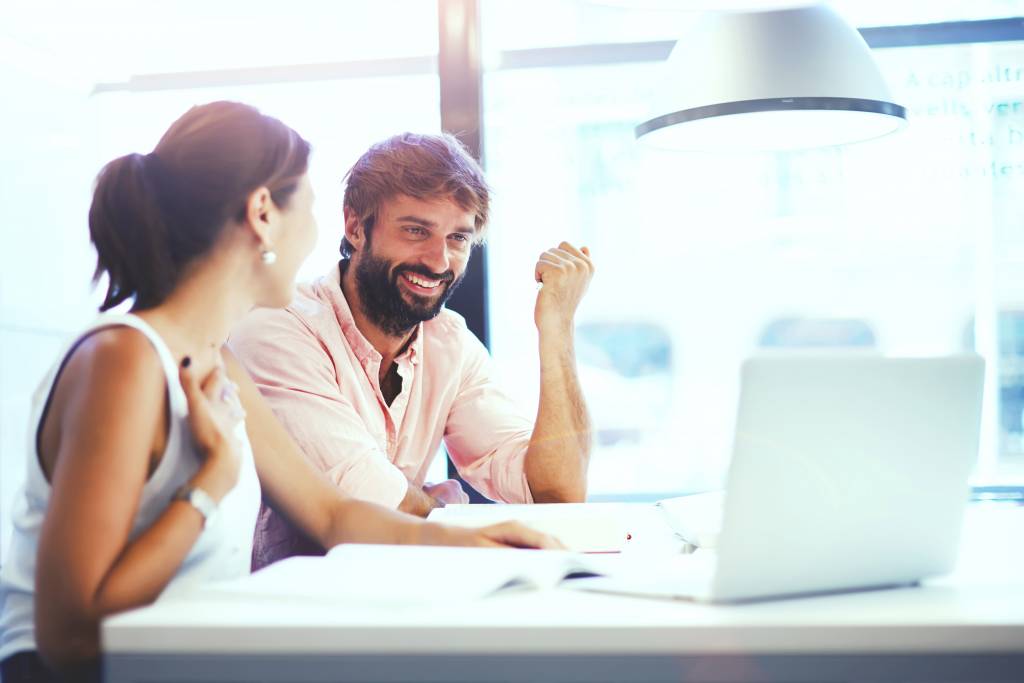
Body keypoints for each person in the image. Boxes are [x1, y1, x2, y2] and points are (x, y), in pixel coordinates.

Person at [0, 102, 558, 682]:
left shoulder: (217, 363)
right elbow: (67, 635)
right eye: (311, 208)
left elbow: (334, 514)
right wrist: (206, 489)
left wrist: (468, 544)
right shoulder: (126, 361)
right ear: (263, 214)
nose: (317, 235)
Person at [229, 132, 595, 570]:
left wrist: (556, 329)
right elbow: (369, 499)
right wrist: (454, 520)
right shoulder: (280, 326)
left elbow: (556, 493)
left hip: (396, 598)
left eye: (458, 238)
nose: (438, 261)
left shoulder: (450, 344)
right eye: (416, 230)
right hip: (284, 614)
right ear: (354, 226)